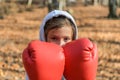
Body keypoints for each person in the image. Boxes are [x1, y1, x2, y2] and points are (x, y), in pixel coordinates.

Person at [25, 10, 78, 80]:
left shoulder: (79, 60)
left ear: (73, 39)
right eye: (54, 38)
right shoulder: (37, 61)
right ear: (44, 38)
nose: (60, 44)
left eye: (66, 39)